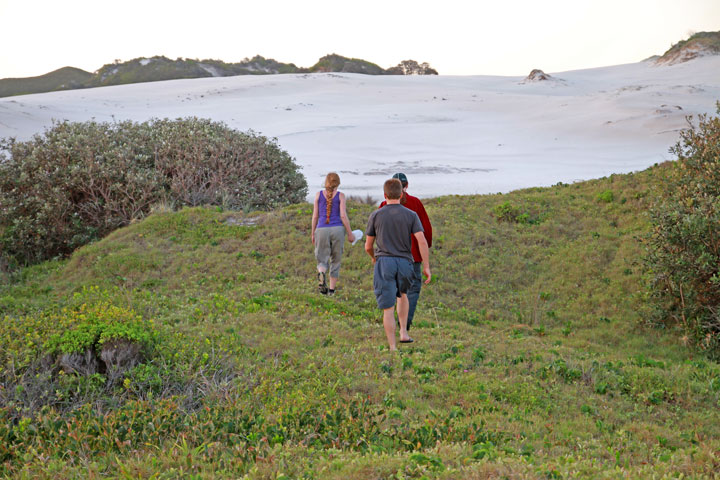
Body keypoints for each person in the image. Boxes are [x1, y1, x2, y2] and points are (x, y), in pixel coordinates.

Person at [365, 178, 431, 351]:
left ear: (385, 194)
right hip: (404, 262)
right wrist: (426, 266)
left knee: (388, 307)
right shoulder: (411, 215)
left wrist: (373, 257)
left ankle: (392, 347)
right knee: (403, 295)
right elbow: (422, 241)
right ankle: (404, 333)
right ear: (401, 194)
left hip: (384, 262)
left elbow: (368, 246)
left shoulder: (376, 215)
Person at [379, 172, 432, 331]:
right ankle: (405, 324)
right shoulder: (415, 203)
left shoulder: (383, 205)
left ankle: (394, 323)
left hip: (389, 256)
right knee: (412, 290)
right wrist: (425, 250)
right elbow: (425, 231)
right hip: (412, 256)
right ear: (406, 186)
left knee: (394, 290)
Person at [312, 172, 355, 295]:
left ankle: (321, 273)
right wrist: (350, 233)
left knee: (322, 259)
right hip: (337, 229)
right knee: (336, 259)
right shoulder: (341, 196)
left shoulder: (318, 195)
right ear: (338, 183)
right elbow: (343, 215)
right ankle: (331, 290)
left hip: (321, 229)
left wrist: (312, 233)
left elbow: (315, 216)